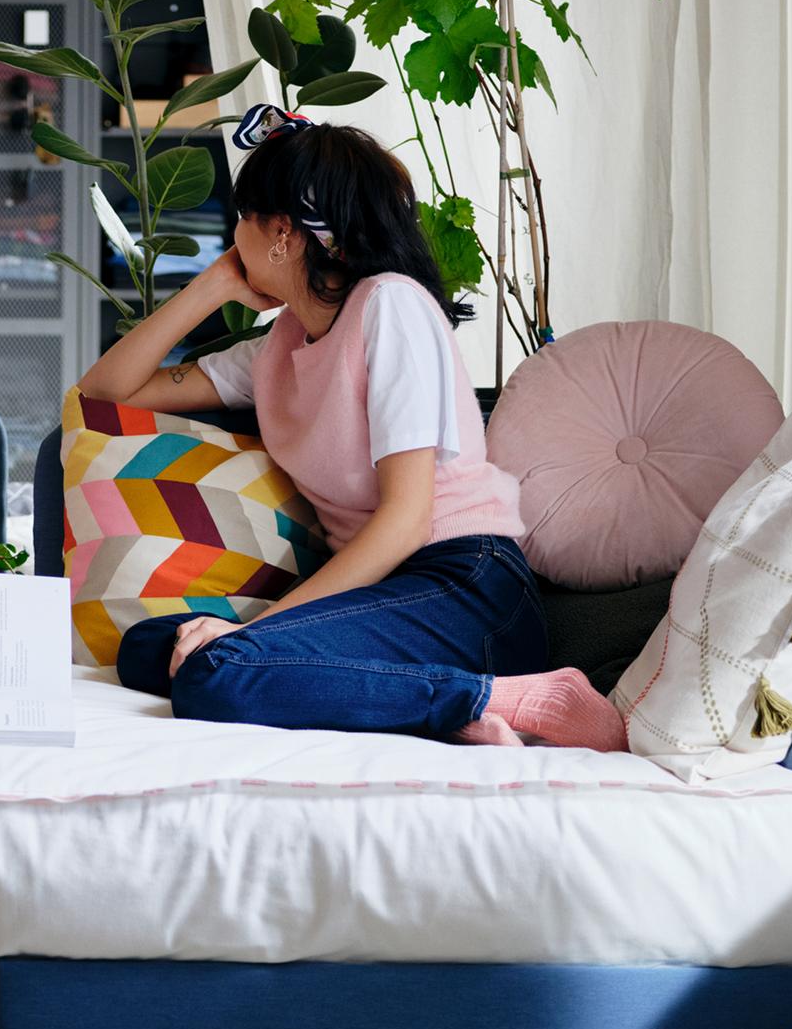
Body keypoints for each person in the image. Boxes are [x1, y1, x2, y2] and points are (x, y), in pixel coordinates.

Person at [80, 105, 627, 752]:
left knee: (214, 671)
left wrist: (256, 632)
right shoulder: (279, 348)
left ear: (282, 233)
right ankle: (438, 705)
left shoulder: (390, 307)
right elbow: (107, 390)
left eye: (244, 217)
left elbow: (406, 520)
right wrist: (211, 287)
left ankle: (513, 698)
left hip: (466, 589)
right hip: (386, 591)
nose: (233, 234)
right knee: (149, 648)